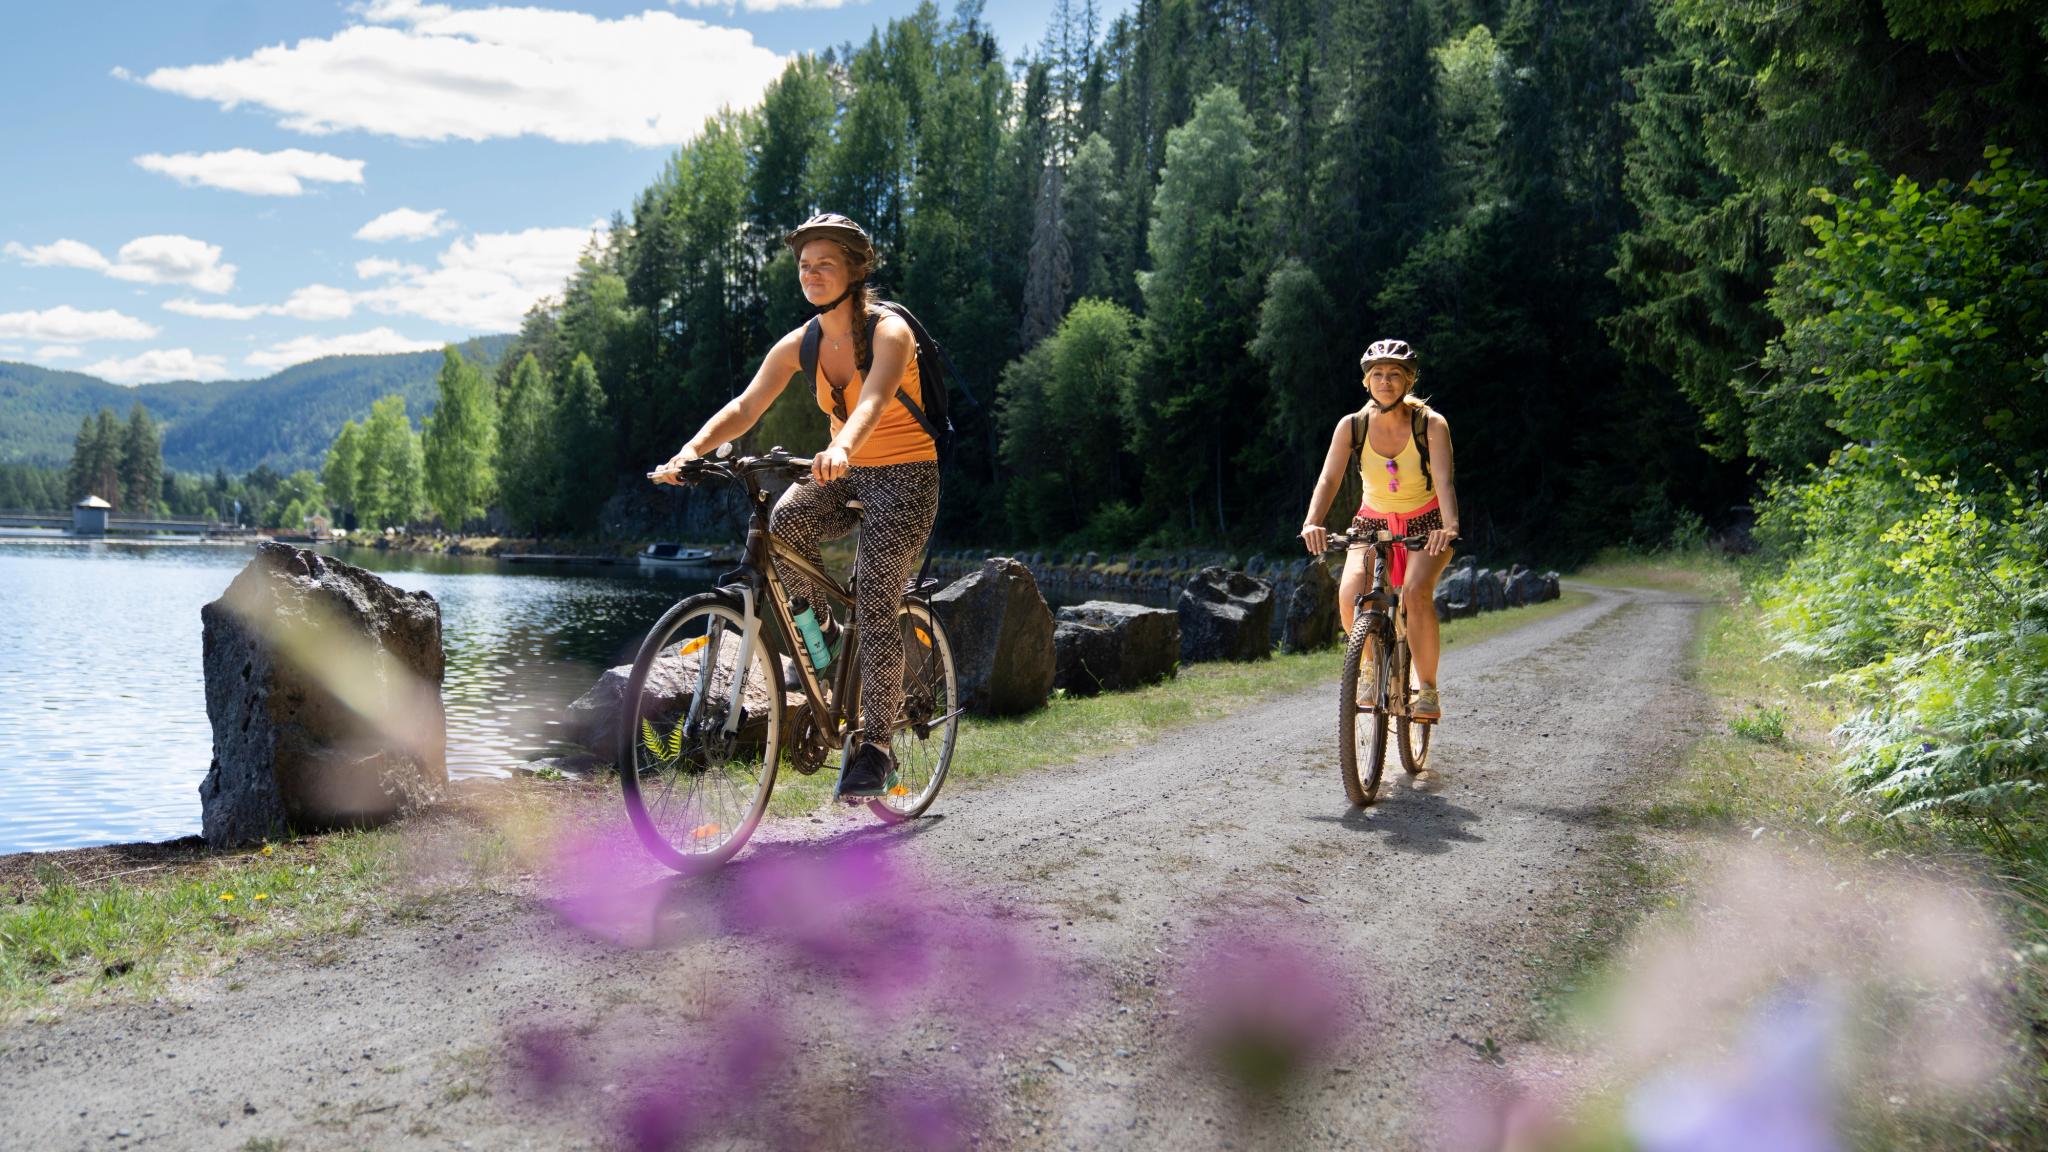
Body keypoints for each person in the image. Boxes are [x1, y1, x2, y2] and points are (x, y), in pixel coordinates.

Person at [651, 213, 939, 798]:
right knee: (784, 525)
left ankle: (876, 747)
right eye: (805, 266)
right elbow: (745, 406)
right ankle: (827, 637)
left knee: (879, 591)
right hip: (846, 466)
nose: (811, 274)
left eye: (825, 264)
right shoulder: (802, 343)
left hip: (906, 473)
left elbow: (874, 402)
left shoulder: (889, 333)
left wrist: (838, 447)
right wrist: (690, 450)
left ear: (855, 271)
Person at [1297, 339, 1460, 721]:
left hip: (1427, 524)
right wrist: (1312, 521)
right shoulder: (1352, 426)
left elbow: (1444, 480)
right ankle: (1368, 669)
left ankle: (1429, 690)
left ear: (1408, 380)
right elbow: (1329, 478)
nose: (1386, 381)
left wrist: (1450, 526)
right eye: (1378, 375)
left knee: (1418, 594)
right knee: (1351, 592)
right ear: (1367, 381)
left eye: (1395, 375)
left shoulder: (1430, 424)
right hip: (1370, 523)